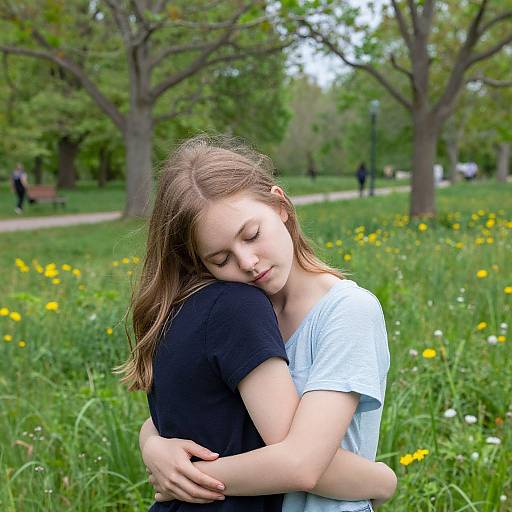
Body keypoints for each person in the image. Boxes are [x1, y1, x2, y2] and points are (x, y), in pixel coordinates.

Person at [119, 135, 396, 512]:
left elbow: (302, 464)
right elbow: (204, 410)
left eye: (252, 235)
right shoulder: (235, 311)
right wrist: (152, 443)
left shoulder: (347, 312)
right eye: (221, 259)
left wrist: (385, 480)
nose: (248, 262)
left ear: (280, 205)